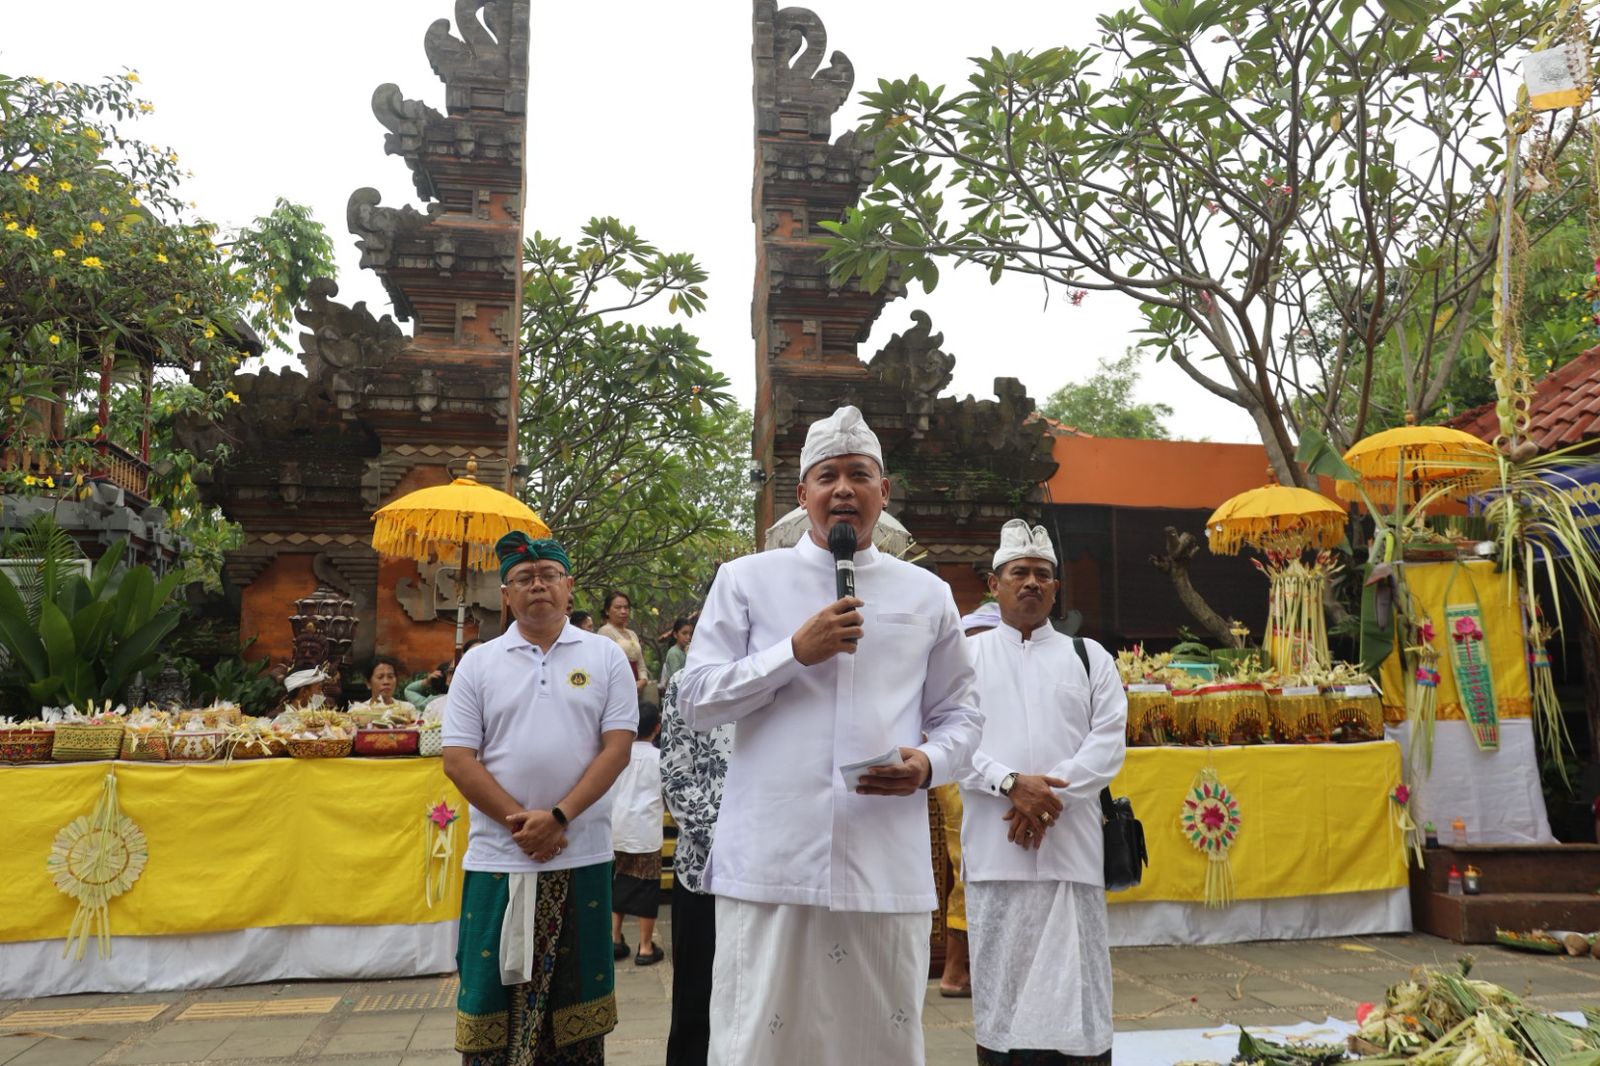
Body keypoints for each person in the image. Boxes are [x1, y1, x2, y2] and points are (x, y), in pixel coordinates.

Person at [676, 404, 983, 1066]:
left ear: (884, 491)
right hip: (772, 862)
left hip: (882, 860)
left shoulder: (927, 593)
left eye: (859, 474)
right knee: (759, 1045)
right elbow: (696, 699)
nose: (844, 488)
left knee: (880, 1046)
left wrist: (928, 764)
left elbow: (962, 715)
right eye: (828, 475)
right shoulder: (747, 580)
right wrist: (793, 652)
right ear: (802, 493)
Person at [442, 531, 637, 1065]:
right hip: (498, 857)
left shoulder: (605, 657)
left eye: (548, 576)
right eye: (524, 579)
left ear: (568, 586)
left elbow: (617, 749)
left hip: (581, 853)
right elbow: (457, 759)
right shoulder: (479, 663)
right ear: (506, 595)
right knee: (489, 1004)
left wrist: (558, 817)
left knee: (577, 1008)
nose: (537, 586)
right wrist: (522, 825)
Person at [961, 520, 1127, 1066]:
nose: (1031, 582)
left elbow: (1108, 744)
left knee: (1078, 1000)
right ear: (995, 584)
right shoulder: (966, 659)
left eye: (1041, 574)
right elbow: (949, 740)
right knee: (1002, 1003)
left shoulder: (1089, 657)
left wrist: (1046, 800)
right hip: (998, 854)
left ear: (1056, 587)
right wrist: (1010, 784)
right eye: (1019, 573)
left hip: (1070, 852)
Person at [658, 670, 734, 1066]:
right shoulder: (688, 682)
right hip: (703, 870)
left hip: (775, 875)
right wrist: (733, 844)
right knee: (696, 1004)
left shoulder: (789, 672)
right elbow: (675, 776)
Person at [934, 599, 1001, 1000]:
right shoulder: (964, 667)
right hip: (963, 774)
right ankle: (955, 969)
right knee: (969, 866)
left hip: (980, 775)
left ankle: (973, 966)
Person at [609, 700, 664, 966]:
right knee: (647, 888)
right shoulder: (661, 759)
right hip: (646, 832)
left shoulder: (618, 756)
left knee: (617, 884)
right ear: (657, 728)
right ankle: (645, 947)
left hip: (617, 828)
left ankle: (614, 939)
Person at [597, 592, 647, 697]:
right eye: (618, 607)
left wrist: (643, 679)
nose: (623, 611)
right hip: (616, 687)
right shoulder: (605, 632)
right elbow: (603, 665)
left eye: (626, 607)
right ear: (607, 611)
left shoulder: (632, 634)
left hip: (636, 687)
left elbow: (640, 662)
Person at [659, 617, 693, 688]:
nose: (688, 637)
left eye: (690, 634)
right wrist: (689, 657)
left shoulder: (685, 651)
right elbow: (678, 678)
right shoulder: (673, 653)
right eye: (684, 633)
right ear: (675, 634)